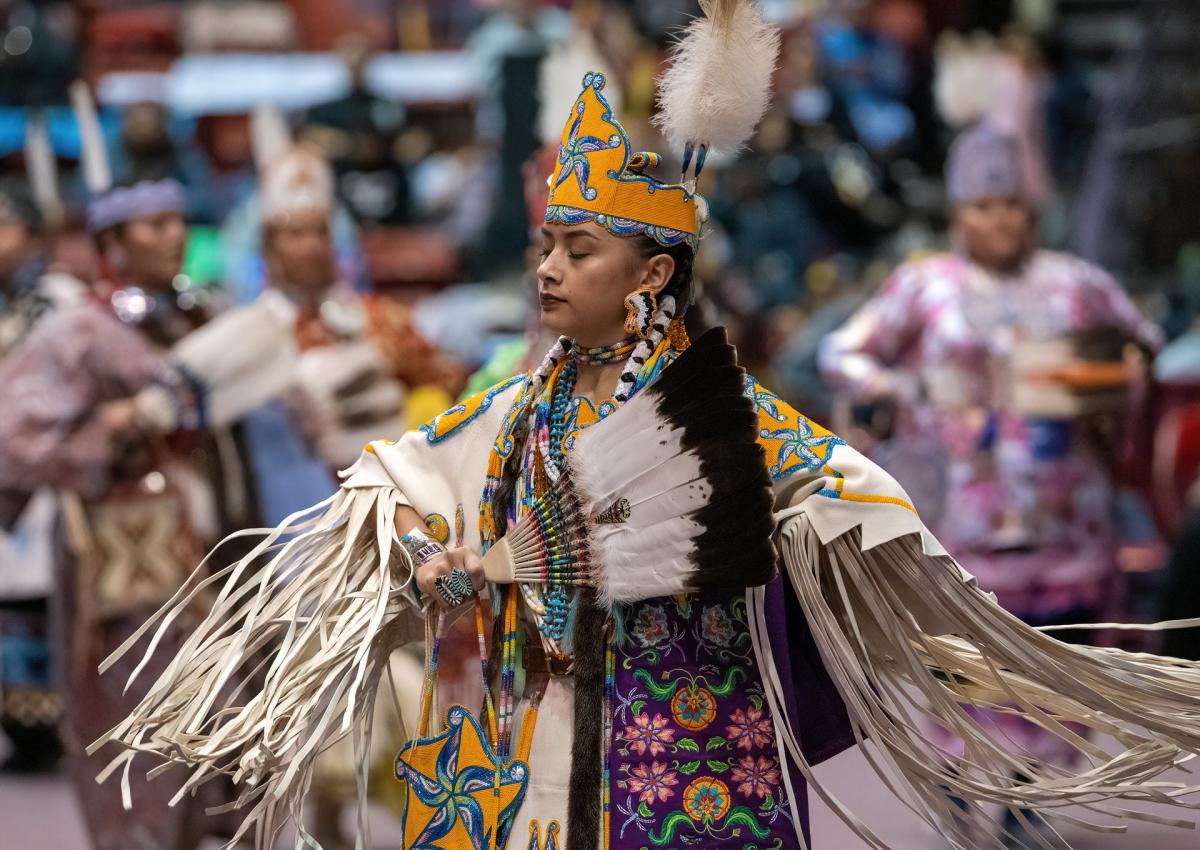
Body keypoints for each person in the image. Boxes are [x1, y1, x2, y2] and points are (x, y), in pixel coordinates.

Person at [98, 8, 1200, 850]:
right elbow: (414, 474)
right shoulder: (519, 404)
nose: (546, 269)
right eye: (546, 246)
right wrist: (436, 560)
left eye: (580, 250)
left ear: (652, 275)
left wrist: (832, 558)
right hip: (539, 744)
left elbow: (858, 503)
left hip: (700, 745)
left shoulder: (738, 422)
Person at [821, 123, 1163, 843]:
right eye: (982, 205)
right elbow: (842, 351)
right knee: (962, 673)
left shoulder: (1076, 282)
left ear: (1030, 210)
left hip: (1067, 525)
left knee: (1048, 674)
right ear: (957, 213)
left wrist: (1110, 381)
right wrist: (912, 390)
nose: (998, 218)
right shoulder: (925, 284)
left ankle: (1025, 804)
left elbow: (1140, 346)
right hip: (962, 524)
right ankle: (955, 795)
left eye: (1010, 203)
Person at [0, 176, 80, 773]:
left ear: (34, 237)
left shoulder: (61, 301)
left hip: (45, 476)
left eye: (5, 227)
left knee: (38, 596)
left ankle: (44, 729)